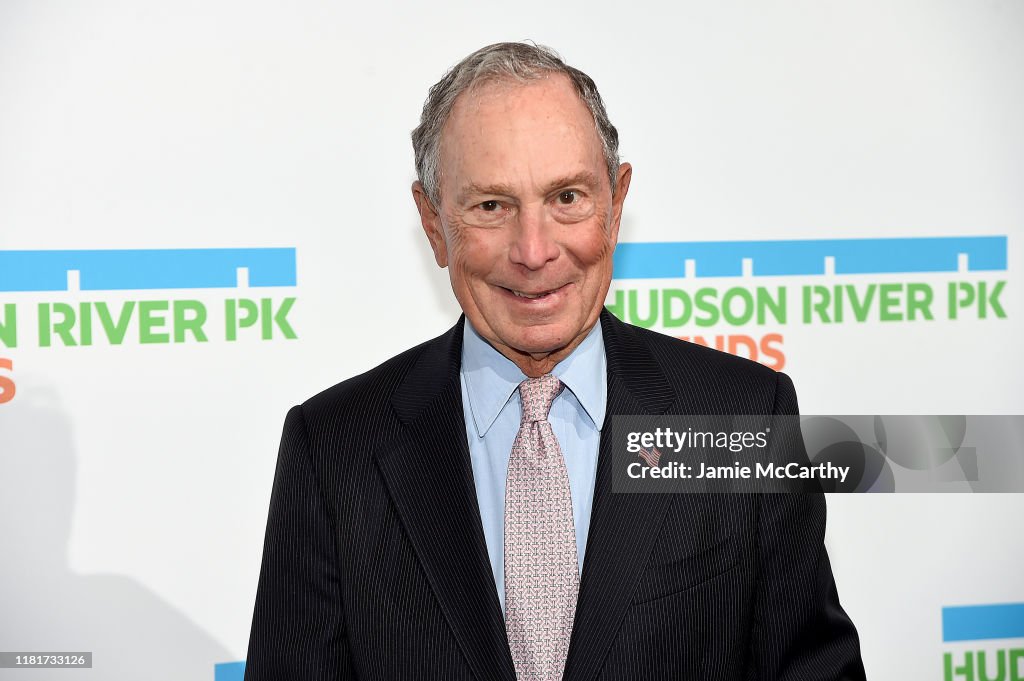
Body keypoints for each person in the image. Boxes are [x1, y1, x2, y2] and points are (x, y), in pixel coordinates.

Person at [244, 42, 866, 680]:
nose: (534, 251)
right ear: (433, 223)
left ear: (617, 203)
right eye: (491, 206)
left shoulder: (740, 420)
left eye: (567, 197)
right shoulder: (334, 445)